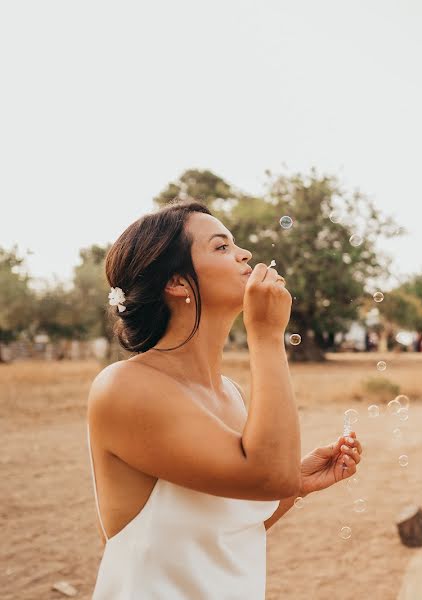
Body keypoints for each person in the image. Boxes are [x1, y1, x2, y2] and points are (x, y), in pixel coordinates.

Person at [87, 202, 362, 599]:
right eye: (221, 247)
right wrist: (267, 336)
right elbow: (268, 475)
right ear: (178, 283)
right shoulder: (125, 387)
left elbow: (226, 533)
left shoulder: (228, 393)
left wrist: (295, 483)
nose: (245, 254)